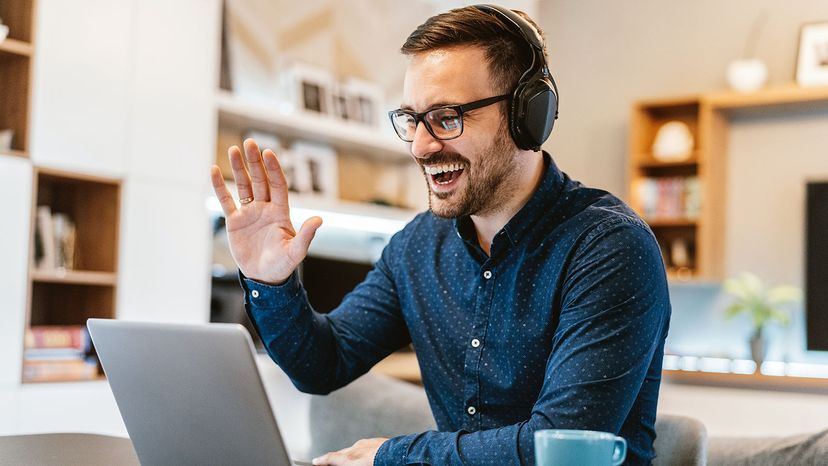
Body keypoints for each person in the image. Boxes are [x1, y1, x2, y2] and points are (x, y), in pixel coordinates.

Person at [210, 5, 670, 466]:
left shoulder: (609, 248)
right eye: (412, 119)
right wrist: (269, 282)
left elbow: (559, 444)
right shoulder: (417, 246)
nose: (421, 145)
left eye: (447, 118)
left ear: (527, 115)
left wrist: (394, 455)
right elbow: (322, 365)